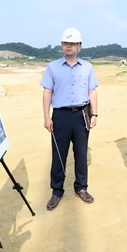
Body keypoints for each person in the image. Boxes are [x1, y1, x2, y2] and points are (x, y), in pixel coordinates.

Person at [40, 27, 99, 210]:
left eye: (72, 43)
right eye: (66, 43)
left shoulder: (88, 68)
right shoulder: (53, 67)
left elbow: (92, 92)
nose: (69, 46)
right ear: (61, 45)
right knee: (59, 154)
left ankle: (81, 188)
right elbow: (47, 92)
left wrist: (94, 114)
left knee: (81, 154)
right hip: (61, 116)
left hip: (82, 114)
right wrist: (46, 117)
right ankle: (57, 191)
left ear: (79, 46)